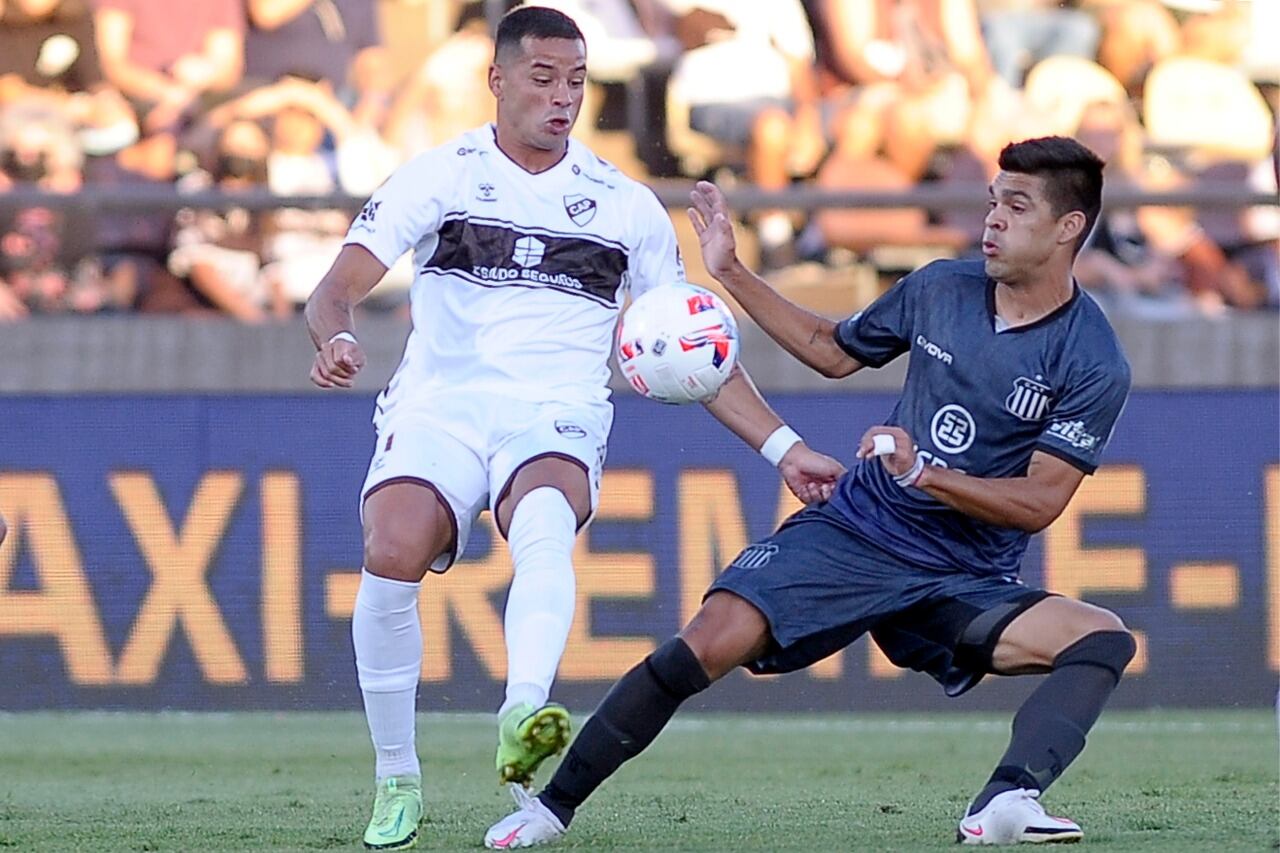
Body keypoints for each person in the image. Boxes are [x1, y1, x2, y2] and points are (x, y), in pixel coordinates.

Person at [485, 135, 1136, 849]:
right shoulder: (941, 288)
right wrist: (730, 270)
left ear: (1069, 226)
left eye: (1016, 206)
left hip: (962, 575)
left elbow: (1041, 501)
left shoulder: (1092, 357)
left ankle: (1008, 798)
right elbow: (832, 350)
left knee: (1101, 636)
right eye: (991, 202)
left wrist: (927, 473)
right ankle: (549, 809)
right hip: (856, 530)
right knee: (704, 642)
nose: (992, 220)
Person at [303, 7, 844, 851]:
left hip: (555, 407)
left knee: (546, 520)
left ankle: (523, 713)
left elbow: (690, 353)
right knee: (391, 549)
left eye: (577, 82)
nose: (563, 98)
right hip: (440, 402)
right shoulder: (437, 176)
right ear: (498, 79)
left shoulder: (625, 208)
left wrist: (785, 447)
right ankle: (396, 775)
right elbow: (332, 289)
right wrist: (335, 335)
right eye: (545, 78)